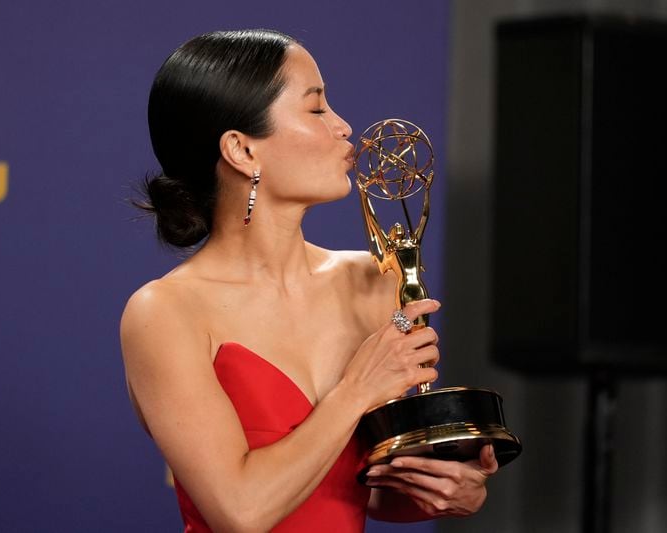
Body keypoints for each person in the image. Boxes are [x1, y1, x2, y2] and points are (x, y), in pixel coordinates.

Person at [120, 29, 498, 532]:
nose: (345, 128)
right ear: (242, 150)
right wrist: (358, 388)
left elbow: (360, 489)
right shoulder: (164, 312)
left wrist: (451, 488)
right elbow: (241, 511)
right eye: (316, 109)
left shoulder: (370, 280)